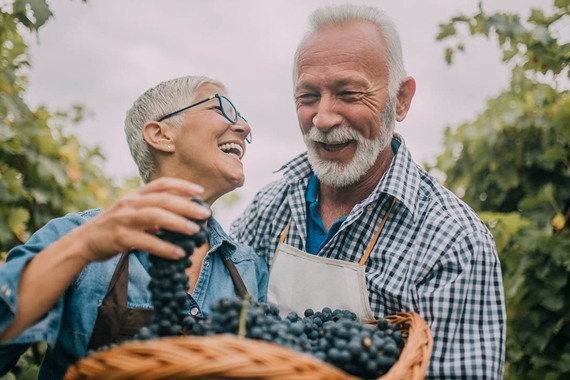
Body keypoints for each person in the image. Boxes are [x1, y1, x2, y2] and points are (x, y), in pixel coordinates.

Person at [230, 4, 505, 379]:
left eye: (349, 93)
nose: (323, 118)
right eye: (308, 96)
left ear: (401, 99)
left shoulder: (454, 242)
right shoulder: (271, 206)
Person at [0, 75, 268, 379]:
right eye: (220, 109)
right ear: (161, 134)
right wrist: (81, 248)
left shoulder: (248, 268)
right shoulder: (75, 236)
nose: (244, 127)